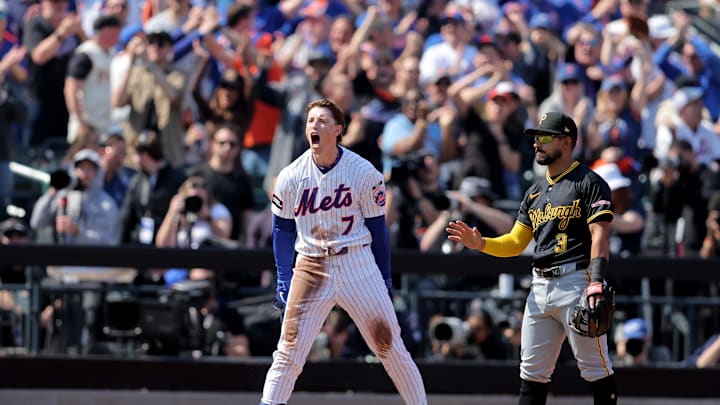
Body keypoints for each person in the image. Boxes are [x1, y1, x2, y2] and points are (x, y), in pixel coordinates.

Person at [260, 98, 426, 405]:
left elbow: (378, 229)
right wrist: (284, 276)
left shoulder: (363, 172)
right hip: (310, 265)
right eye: (311, 121)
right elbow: (282, 229)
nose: (315, 126)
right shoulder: (291, 176)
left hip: (356, 261)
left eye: (322, 121)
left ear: (338, 130)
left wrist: (384, 275)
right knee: (288, 352)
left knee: (390, 346)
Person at [447, 112, 618, 405]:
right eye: (535, 137)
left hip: (577, 281)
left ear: (566, 142)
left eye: (544, 137)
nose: (537, 143)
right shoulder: (534, 192)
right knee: (532, 373)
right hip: (539, 286)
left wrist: (597, 282)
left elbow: (600, 236)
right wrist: (481, 243)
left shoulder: (589, 182)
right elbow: (515, 242)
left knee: (595, 369)